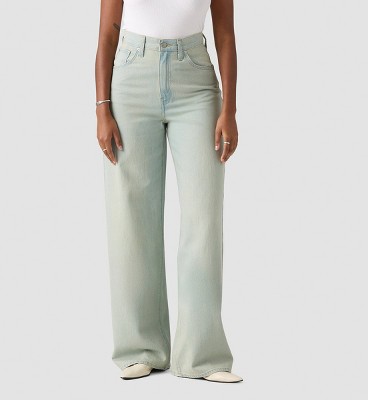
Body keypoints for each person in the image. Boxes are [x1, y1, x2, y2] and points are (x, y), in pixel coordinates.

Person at [95, 0, 242, 383]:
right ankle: (140, 348)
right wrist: (102, 109)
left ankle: (203, 355)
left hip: (195, 81)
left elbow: (225, 34)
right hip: (131, 76)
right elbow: (107, 33)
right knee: (131, 220)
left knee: (203, 218)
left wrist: (229, 110)